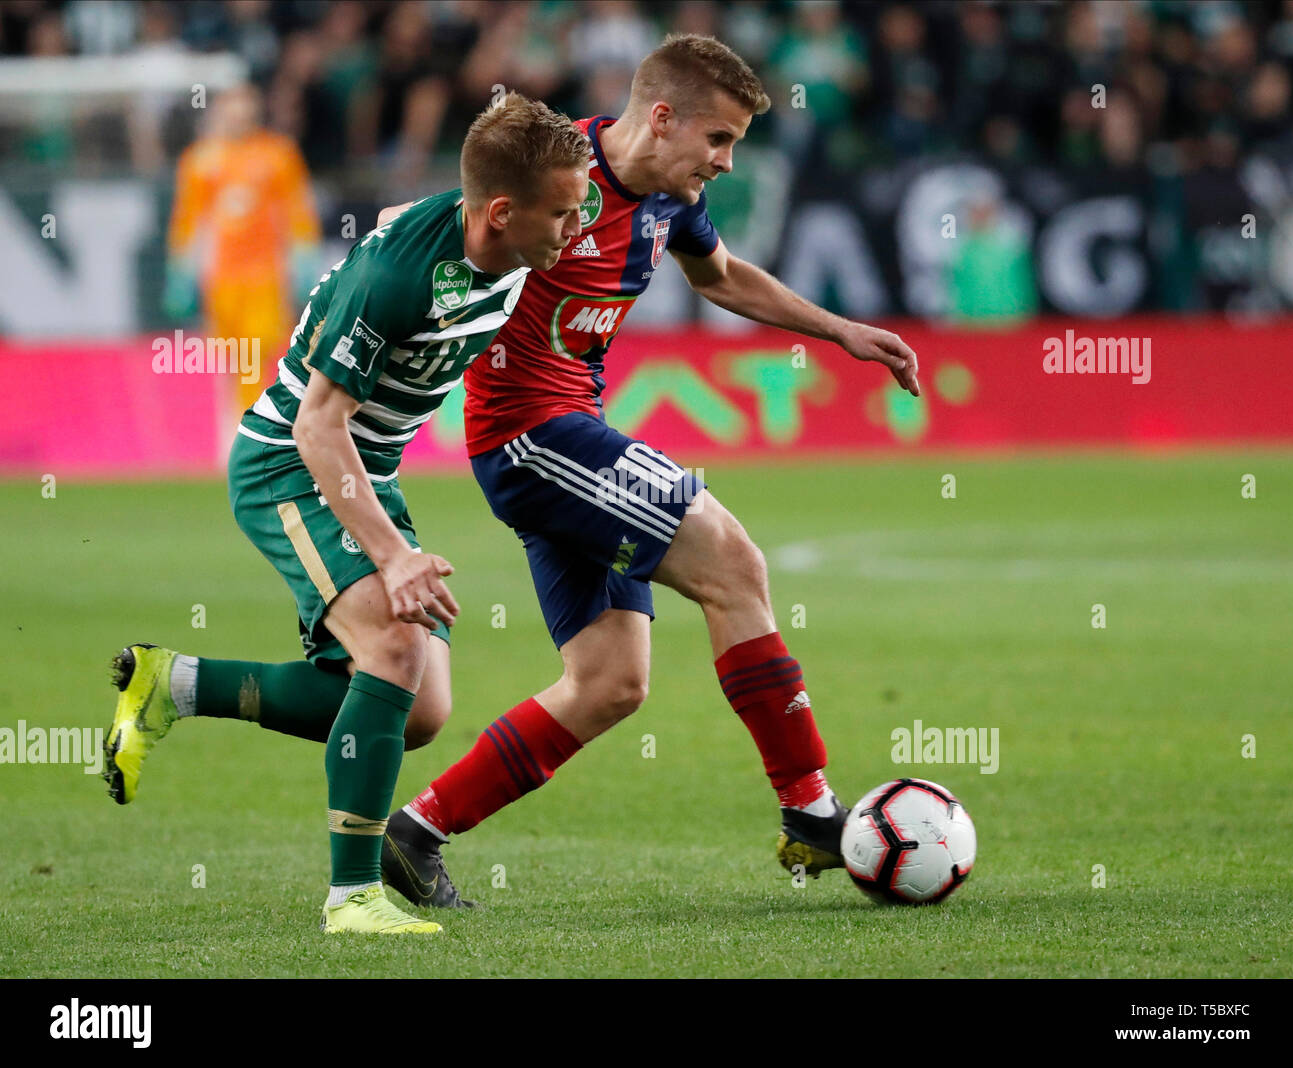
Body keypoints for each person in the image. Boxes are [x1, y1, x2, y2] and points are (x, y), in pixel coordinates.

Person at [378, 34, 919, 909]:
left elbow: (724, 278)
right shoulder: (559, 178)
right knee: (734, 565)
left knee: (609, 685)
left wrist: (841, 332)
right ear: (661, 117)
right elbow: (464, 227)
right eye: (719, 139)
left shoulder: (669, 199)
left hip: (564, 436)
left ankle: (415, 834)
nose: (727, 162)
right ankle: (812, 812)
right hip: (531, 435)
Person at [103, 93, 590, 934]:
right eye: (563, 212)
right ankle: (352, 897)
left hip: (366, 467)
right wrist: (393, 555)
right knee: (396, 648)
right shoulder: (397, 277)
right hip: (293, 463)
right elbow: (316, 424)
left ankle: (173, 685)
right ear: (502, 212)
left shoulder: (506, 231)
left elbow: (416, 209)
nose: (576, 228)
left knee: (421, 708)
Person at [165, 83, 322, 417]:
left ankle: (252, 423)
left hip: (265, 275)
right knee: (230, 357)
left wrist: (305, 257)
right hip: (220, 277)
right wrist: (180, 270)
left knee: (258, 350)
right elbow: (188, 219)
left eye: (245, 108)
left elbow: (298, 210)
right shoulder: (199, 159)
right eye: (231, 108)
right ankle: (234, 426)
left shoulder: (278, 154)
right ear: (220, 112)